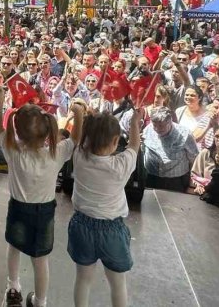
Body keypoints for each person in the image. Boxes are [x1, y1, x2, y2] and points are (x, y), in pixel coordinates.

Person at [0, 88, 84, 307]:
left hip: (18, 209)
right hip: (44, 213)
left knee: (13, 247)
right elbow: (76, 138)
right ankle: (40, 301)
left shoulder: (13, 151)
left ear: (17, 130)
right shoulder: (56, 152)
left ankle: (13, 288)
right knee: (40, 259)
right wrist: (79, 115)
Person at [69, 108, 142, 307]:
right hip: (112, 231)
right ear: (115, 141)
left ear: (87, 137)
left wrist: (85, 119)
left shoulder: (78, 157)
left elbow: (78, 140)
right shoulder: (121, 164)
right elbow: (135, 145)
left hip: (81, 225)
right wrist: (135, 122)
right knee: (118, 283)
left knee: (83, 279)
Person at [143, 107, 198, 192]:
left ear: (170, 121)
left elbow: (194, 159)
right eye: (154, 125)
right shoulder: (148, 129)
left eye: (161, 125)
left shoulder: (185, 134)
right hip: (151, 177)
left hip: (175, 181)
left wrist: (191, 183)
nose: (157, 129)